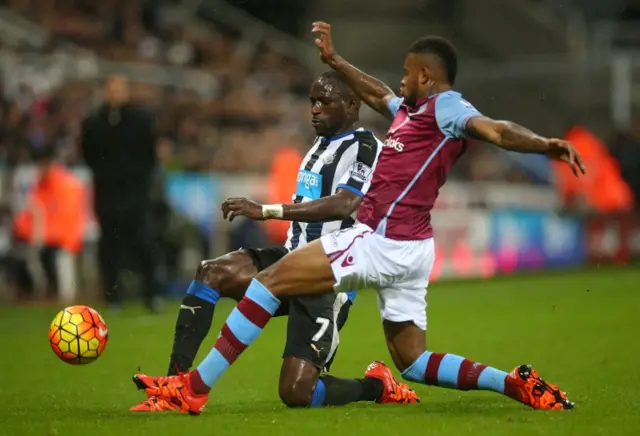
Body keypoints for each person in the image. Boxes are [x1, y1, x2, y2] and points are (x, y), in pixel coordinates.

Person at [132, 23, 586, 414]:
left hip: (380, 240)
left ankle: (192, 391)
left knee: (268, 282)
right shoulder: (412, 113)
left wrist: (544, 144)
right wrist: (336, 59)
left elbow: (496, 129)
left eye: (409, 72)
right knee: (413, 360)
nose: (401, 80)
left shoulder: (447, 107)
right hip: (413, 248)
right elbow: (376, 92)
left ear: (426, 76)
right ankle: (513, 382)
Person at [130, 71, 417, 412]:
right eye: (312, 101)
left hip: (327, 275)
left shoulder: (367, 147)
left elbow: (345, 203)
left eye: (324, 102)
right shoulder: (318, 146)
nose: (315, 109)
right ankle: (174, 388)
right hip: (288, 259)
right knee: (211, 272)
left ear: (352, 104)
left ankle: (376, 386)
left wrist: (265, 211)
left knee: (297, 392)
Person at [81, 76, 162, 311]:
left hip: (136, 195)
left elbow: (150, 156)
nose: (114, 93)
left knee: (145, 243)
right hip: (107, 196)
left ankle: (152, 294)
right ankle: (113, 297)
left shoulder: (140, 120)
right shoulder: (94, 122)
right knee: (109, 248)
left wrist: (140, 184)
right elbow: (89, 155)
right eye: (111, 89)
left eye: (119, 89)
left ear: (126, 92)